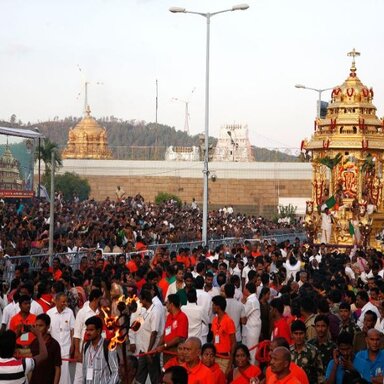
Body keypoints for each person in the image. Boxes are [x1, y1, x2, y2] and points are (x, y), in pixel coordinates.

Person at [73, 289, 102, 384]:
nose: (102, 301)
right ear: (95, 299)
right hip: (84, 350)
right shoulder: (82, 312)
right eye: (100, 299)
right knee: (79, 376)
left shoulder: (100, 313)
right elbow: (77, 334)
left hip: (98, 349)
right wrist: (77, 351)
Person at [135, 289, 163, 384]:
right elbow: (138, 324)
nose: (140, 302)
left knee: (155, 378)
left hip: (151, 352)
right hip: (143, 351)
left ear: (145, 300)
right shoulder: (145, 311)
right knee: (139, 377)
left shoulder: (155, 312)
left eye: (141, 300)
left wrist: (149, 352)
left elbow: (154, 332)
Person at [47, 292, 75, 384]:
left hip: (66, 348)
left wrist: (72, 345)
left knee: (65, 373)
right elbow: (47, 332)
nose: (65, 303)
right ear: (56, 301)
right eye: (63, 302)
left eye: (66, 301)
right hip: (53, 349)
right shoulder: (49, 313)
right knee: (54, 371)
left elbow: (72, 330)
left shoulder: (70, 312)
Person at [82, 316, 119, 384]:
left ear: (98, 331)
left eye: (91, 330)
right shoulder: (86, 346)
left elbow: (116, 372)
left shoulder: (109, 347)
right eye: (87, 330)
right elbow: (84, 370)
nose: (88, 333)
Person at [157, 294, 188, 365]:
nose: (166, 305)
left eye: (167, 303)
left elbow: (179, 338)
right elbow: (164, 334)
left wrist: (164, 346)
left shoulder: (182, 317)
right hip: (166, 352)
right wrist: (158, 347)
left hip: (176, 353)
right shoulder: (169, 316)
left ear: (172, 304)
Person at [30, 313, 61, 384]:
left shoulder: (54, 344)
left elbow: (57, 368)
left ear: (48, 326)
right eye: (36, 325)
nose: (37, 328)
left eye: (41, 325)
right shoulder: (34, 343)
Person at [289, 320, 324, 384]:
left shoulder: (313, 351)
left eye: (301, 333)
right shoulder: (288, 351)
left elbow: (320, 374)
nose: (298, 336)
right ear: (292, 335)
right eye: (296, 333)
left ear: (305, 334)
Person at [211, 295, 236, 374]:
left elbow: (234, 342)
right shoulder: (214, 320)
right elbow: (214, 339)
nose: (212, 307)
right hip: (215, 357)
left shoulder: (229, 321)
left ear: (218, 307)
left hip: (225, 359)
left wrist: (230, 363)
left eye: (213, 305)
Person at [242, 282, 262, 365]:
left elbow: (243, 314)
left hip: (252, 329)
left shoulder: (251, 301)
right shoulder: (253, 299)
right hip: (252, 328)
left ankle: (251, 371)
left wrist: (242, 303)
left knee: (251, 351)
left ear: (247, 290)